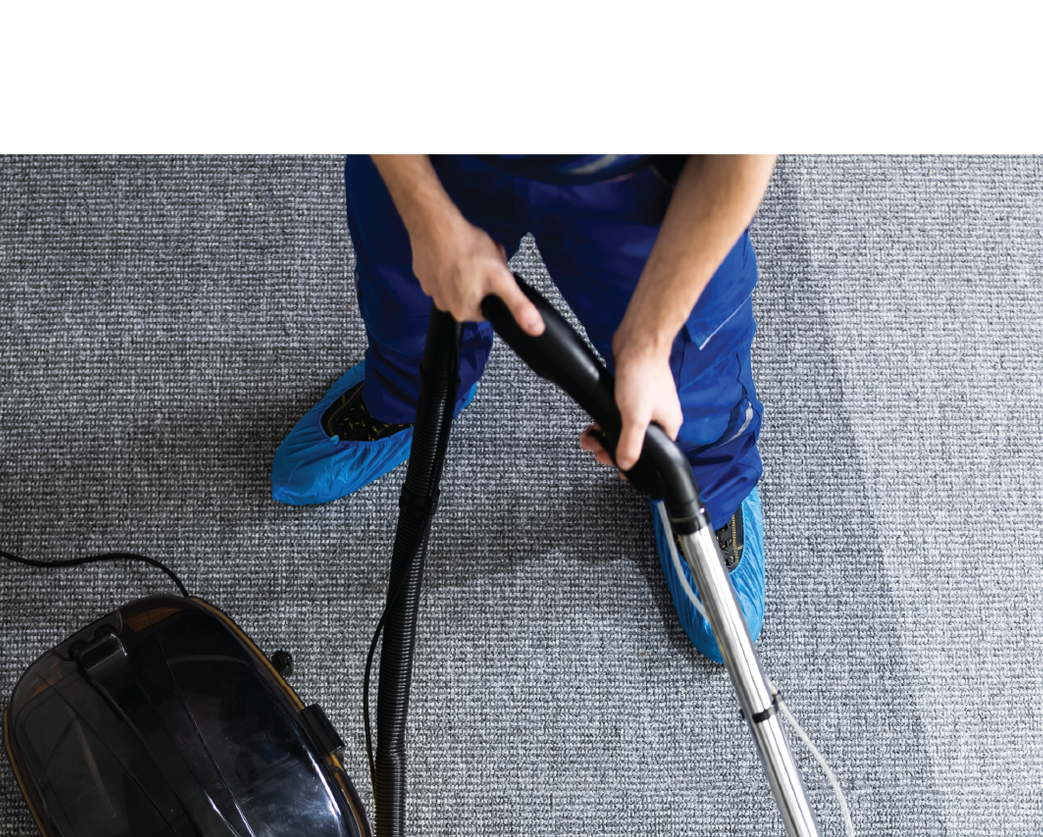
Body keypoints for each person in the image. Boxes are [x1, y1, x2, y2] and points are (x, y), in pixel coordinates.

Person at [272, 152, 777, 664]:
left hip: (636, 176)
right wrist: (425, 210)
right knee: (411, 305)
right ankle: (407, 398)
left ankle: (705, 481)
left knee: (688, 376)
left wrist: (648, 339)